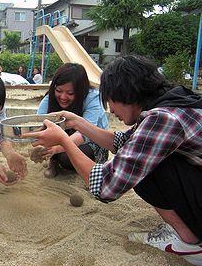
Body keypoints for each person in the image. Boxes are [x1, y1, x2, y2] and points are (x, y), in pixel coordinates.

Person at [22, 55, 202, 265]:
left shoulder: (164, 119)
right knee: (138, 154)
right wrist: (78, 123)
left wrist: (63, 140)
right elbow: (124, 141)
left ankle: (188, 243)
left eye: (110, 100)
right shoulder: (170, 102)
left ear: (126, 93)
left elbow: (105, 186)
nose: (110, 109)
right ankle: (185, 230)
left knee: (140, 164)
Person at [35, 63, 108, 178]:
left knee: (66, 158)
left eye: (70, 93)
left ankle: (88, 166)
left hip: (92, 142)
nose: (63, 97)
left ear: (81, 91)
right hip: (63, 139)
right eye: (59, 91)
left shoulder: (93, 98)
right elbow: (38, 124)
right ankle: (54, 161)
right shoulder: (49, 98)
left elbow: (84, 134)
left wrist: (56, 148)